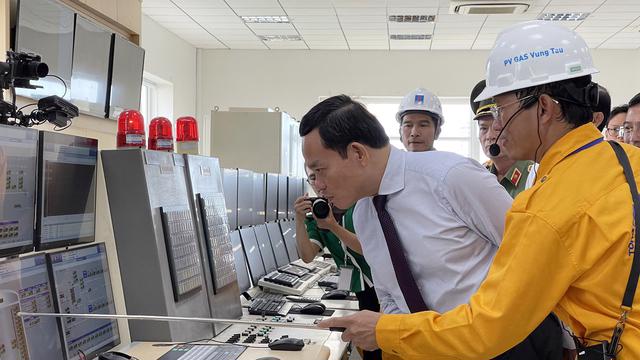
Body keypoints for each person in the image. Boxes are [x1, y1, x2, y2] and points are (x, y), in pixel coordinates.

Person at [319, 20, 640, 360]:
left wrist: (383, 331)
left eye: (501, 109)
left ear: (545, 108)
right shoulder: (627, 160)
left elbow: (487, 327)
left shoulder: (548, 205)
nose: (495, 126)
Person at [299, 94, 563, 359]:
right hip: (432, 349)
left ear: (358, 153)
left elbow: (532, 256)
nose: (317, 185)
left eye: (319, 170)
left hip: (506, 345)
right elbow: (391, 296)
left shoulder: (450, 177)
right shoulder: (365, 215)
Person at [293, 167, 381, 360]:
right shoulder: (316, 215)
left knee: (381, 343)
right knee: (370, 348)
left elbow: (366, 248)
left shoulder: (359, 204)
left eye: (322, 174)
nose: (319, 183)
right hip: (360, 287)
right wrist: (299, 220)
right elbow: (307, 255)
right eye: (312, 178)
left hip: (382, 285)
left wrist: (332, 225)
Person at [471, 80, 535, 198]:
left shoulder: (535, 172)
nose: (490, 136)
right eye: (484, 128)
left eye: (497, 128)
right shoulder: (479, 174)